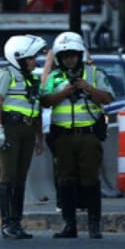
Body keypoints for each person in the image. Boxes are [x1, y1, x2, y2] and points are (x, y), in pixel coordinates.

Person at [41, 31, 114, 238]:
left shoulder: (93, 74)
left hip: (88, 135)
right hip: (63, 137)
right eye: (65, 56)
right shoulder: (55, 77)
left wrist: (87, 88)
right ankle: (69, 224)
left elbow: (107, 98)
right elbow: (45, 100)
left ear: (80, 55)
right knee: (65, 180)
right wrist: (64, 92)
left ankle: (93, 225)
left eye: (72, 55)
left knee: (90, 179)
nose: (69, 60)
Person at [0, 34, 47, 239]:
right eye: (31, 58)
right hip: (10, 130)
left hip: (28, 131)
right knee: (8, 176)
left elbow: (37, 109)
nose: (35, 61)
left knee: (21, 179)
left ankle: (17, 222)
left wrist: (39, 137)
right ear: (19, 57)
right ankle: (6, 224)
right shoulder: (7, 74)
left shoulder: (32, 78)